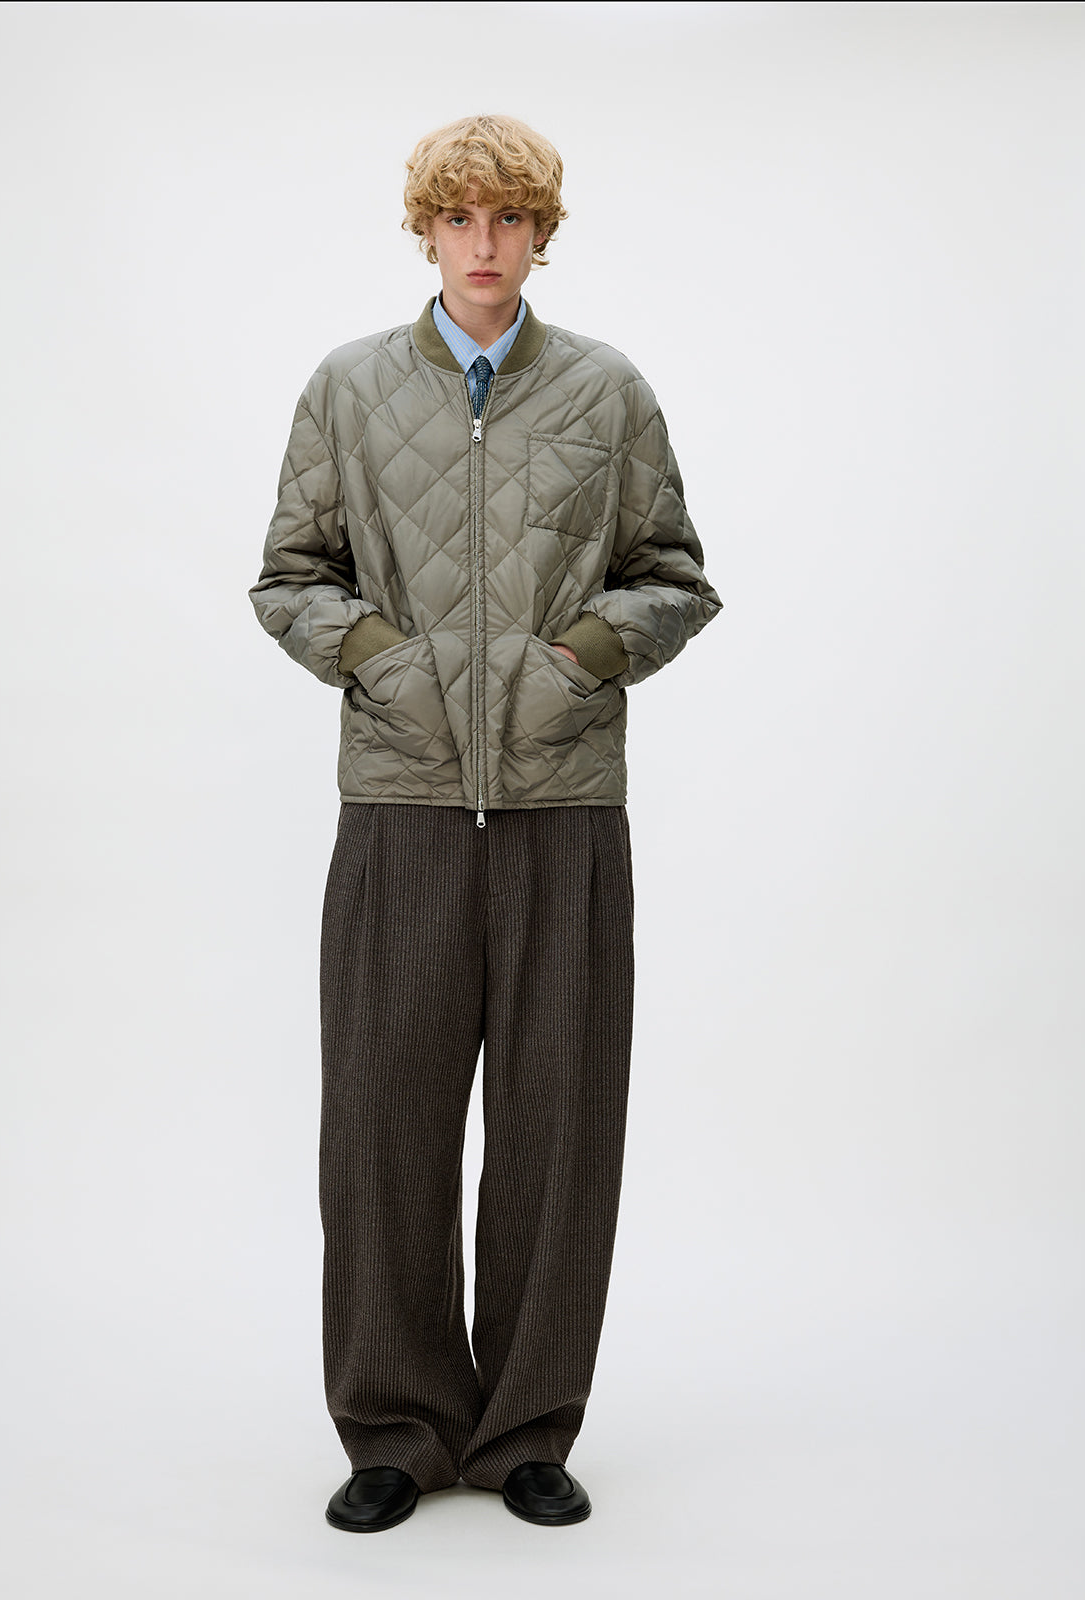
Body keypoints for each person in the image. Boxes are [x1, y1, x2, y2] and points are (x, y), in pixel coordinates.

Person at [248, 112, 722, 1533]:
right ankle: (395, 1429)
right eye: (458, 217)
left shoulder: (606, 391)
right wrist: (383, 663)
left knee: (556, 1123)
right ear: (426, 230)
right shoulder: (348, 389)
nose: (484, 243)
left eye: (509, 218)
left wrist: (577, 659)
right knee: (381, 1120)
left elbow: (675, 576)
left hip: (561, 802)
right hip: (399, 801)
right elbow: (290, 577)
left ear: (540, 233)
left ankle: (525, 1431)